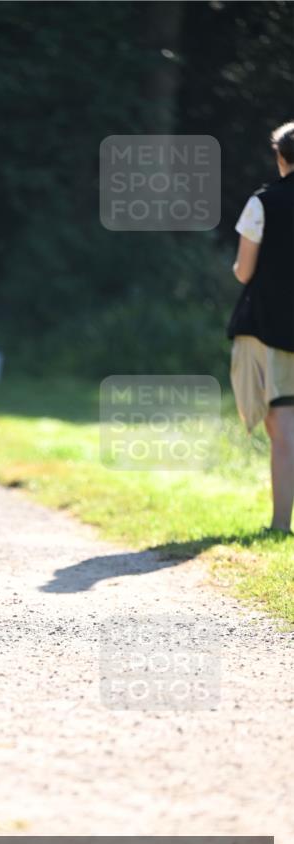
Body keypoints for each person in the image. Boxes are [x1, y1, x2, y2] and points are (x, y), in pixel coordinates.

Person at [228, 120, 294, 535]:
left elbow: (243, 271)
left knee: (283, 427)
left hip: (273, 326)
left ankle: (279, 524)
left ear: (280, 156)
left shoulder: (263, 202)